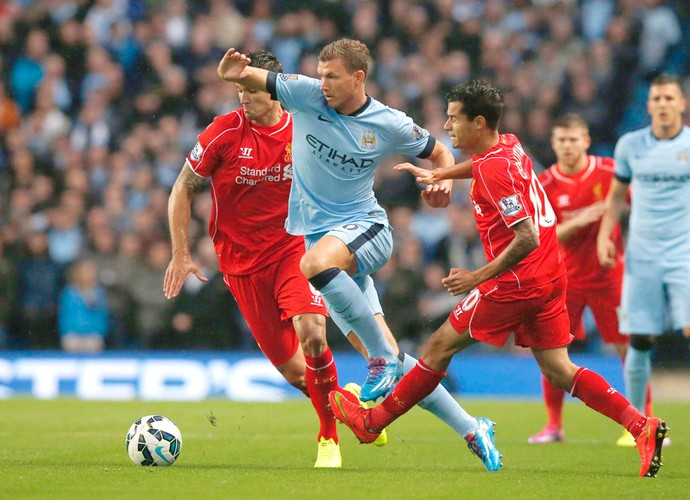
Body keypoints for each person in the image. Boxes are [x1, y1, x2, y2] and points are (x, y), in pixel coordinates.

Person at [329, 80, 668, 478]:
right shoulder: (508, 143)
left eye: (454, 119)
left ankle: (372, 425)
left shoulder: (496, 172)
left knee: (437, 347)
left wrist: (477, 277)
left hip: (515, 282)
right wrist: (442, 172)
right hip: (549, 274)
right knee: (559, 369)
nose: (448, 126)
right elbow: (482, 165)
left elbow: (525, 236)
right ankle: (640, 426)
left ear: (478, 122)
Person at [215, 42, 503, 472]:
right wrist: (230, 74)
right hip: (326, 247)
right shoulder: (304, 93)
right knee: (391, 354)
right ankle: (471, 427)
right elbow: (254, 78)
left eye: (332, 76)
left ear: (358, 78)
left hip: (366, 230)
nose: (323, 83)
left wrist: (440, 181)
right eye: (320, 74)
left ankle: (381, 361)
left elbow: (438, 150)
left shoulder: (386, 122)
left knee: (312, 266)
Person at [164, 50, 345, 468]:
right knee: (299, 375)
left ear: (273, 90)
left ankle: (328, 438)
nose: (243, 97)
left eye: (251, 88)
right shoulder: (223, 133)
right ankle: (349, 404)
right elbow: (182, 188)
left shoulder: (304, 128)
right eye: (238, 89)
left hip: (293, 250)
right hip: (242, 267)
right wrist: (181, 253)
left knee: (313, 333)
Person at [529, 113, 653, 446]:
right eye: (562, 140)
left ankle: (645, 419)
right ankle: (554, 425)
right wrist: (582, 219)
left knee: (628, 348)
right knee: (553, 351)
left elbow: (640, 205)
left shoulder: (609, 172)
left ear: (586, 141)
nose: (568, 146)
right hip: (563, 279)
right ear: (554, 144)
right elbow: (543, 237)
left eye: (575, 139)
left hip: (609, 275)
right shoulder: (545, 184)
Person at [597, 73, 690, 448]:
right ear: (649, 105)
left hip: (684, 253)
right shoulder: (630, 146)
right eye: (657, 99)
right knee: (639, 338)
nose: (664, 104)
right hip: (643, 256)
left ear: (681, 104)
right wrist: (605, 234)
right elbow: (616, 196)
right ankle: (639, 427)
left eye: (670, 98)